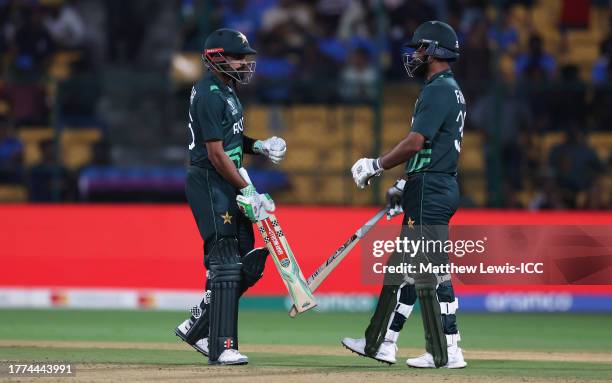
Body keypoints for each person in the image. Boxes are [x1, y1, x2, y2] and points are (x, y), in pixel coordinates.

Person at [342, 21, 467, 369]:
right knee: (410, 270)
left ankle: (443, 351)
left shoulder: (438, 89)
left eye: (421, 48)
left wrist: (376, 165)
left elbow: (416, 142)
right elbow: (430, 148)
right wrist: (407, 183)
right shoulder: (448, 88)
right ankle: (381, 342)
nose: (415, 55)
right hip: (431, 183)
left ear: (436, 51)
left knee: (423, 270)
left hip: (431, 187)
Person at [173, 28, 287, 365]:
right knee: (224, 262)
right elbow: (216, 155)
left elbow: (232, 140)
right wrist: (247, 189)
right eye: (238, 57)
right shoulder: (209, 93)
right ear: (217, 58)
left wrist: (259, 146)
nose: (244, 63)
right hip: (211, 182)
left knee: (246, 265)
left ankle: (197, 325)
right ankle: (221, 345)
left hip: (228, 180)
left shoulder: (227, 89)